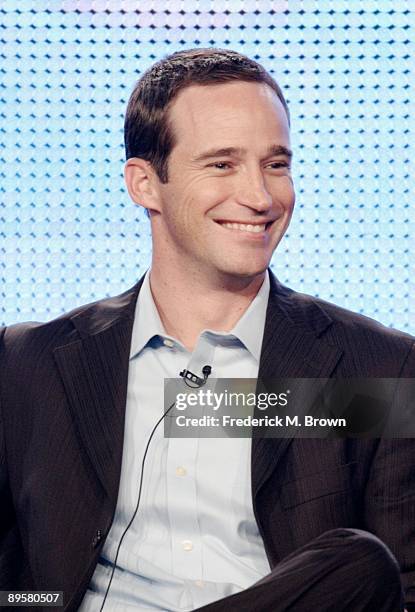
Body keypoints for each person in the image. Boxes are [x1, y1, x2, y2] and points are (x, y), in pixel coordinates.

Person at [0, 48, 414, 612]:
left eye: (276, 164)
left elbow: (398, 589)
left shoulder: (376, 370)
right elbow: (14, 584)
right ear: (145, 184)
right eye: (222, 164)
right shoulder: (30, 363)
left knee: (359, 563)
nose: (262, 197)